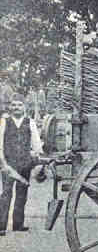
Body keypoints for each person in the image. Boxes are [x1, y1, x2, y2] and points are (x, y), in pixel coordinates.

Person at [0, 93, 44, 236]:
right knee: (6, 194)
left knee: (22, 195)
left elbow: (36, 144)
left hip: (25, 164)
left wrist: (38, 159)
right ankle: (1, 226)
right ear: (10, 107)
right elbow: (0, 144)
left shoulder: (29, 122)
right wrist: (3, 163)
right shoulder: (4, 122)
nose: (16, 107)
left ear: (24, 107)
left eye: (19, 105)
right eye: (14, 105)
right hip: (8, 164)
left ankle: (18, 224)